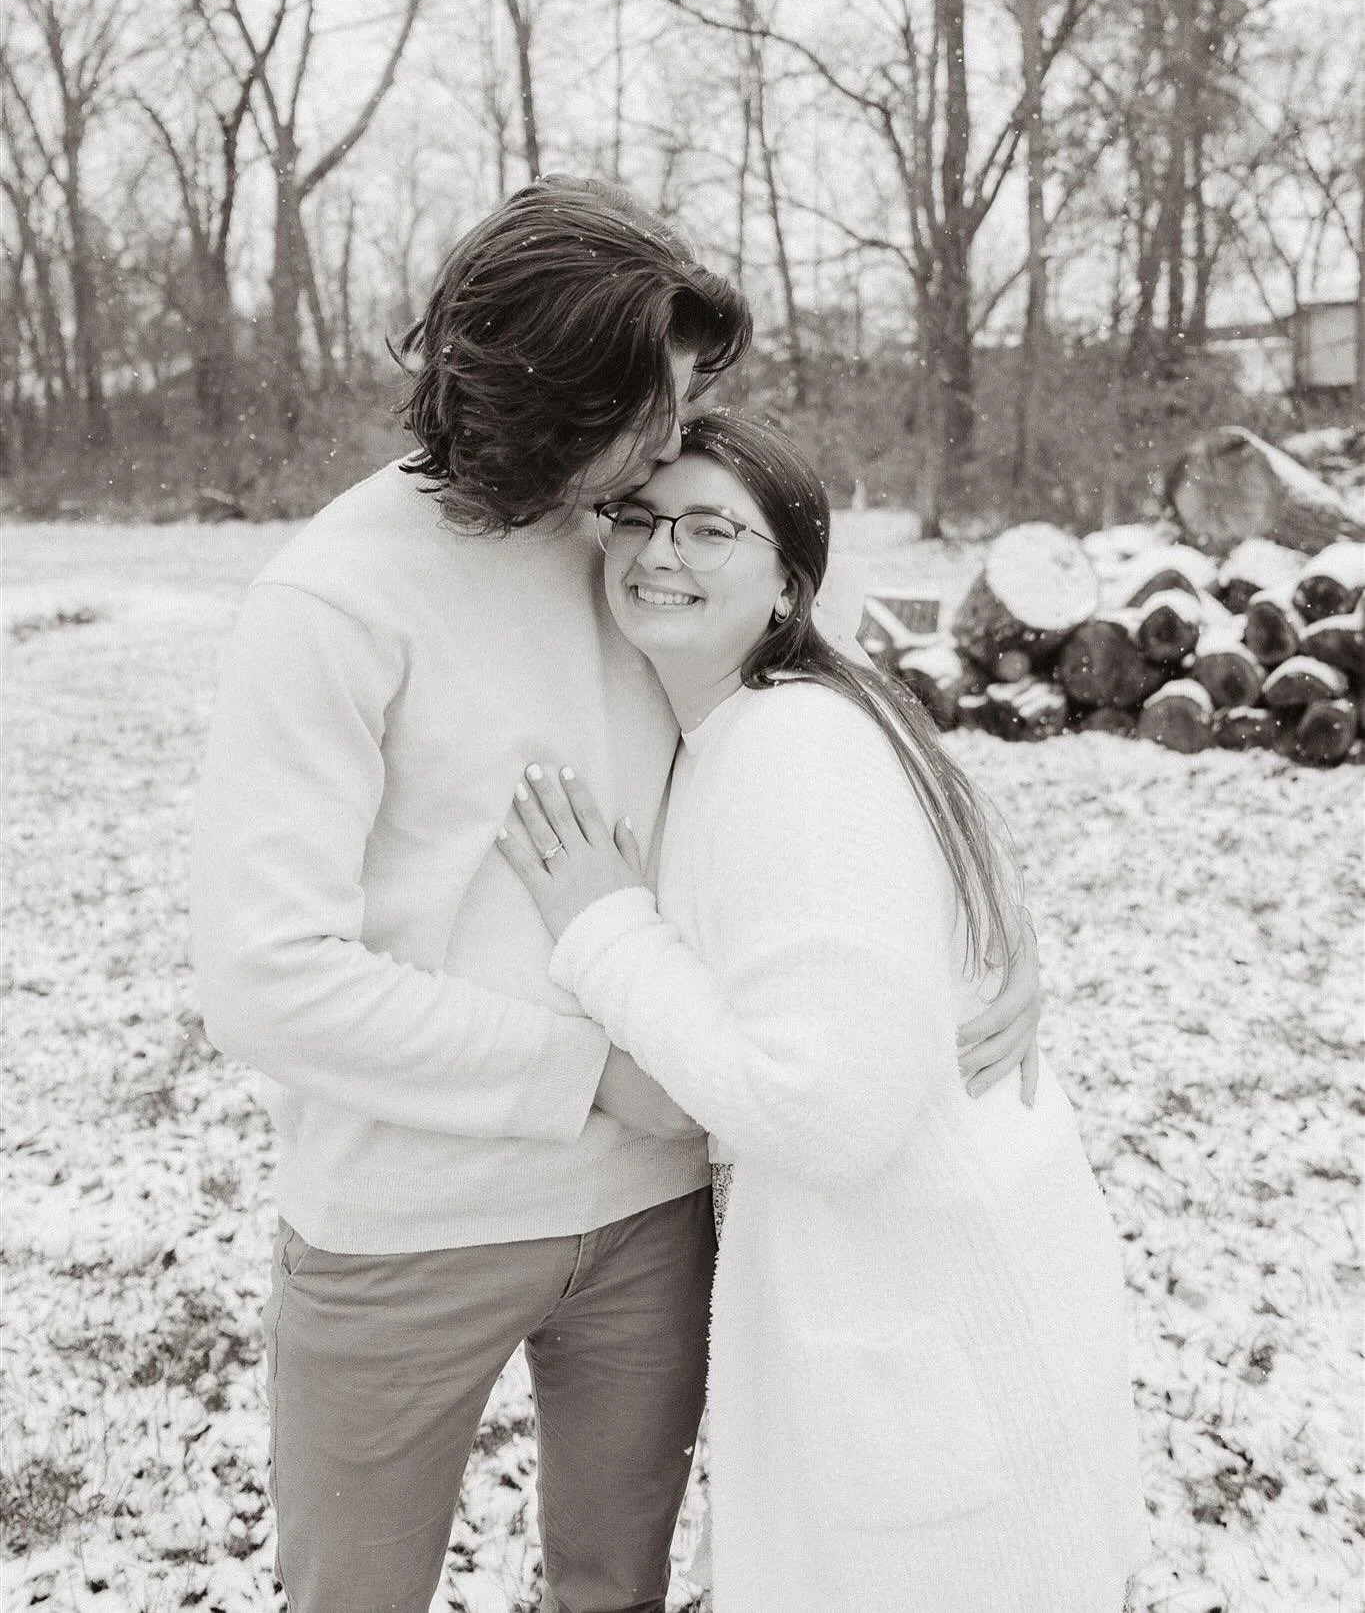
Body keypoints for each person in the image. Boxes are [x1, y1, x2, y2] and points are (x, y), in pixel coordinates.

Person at [190, 176, 1042, 1613]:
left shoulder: (637, 546)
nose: (670, 441)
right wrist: (595, 1076)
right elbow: (266, 979)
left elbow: (815, 710)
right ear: (530, 400)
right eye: (640, 409)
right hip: (403, 1229)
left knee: (616, 1591)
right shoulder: (330, 606)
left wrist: (987, 928)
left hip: (651, 1217)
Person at [497, 411, 1149, 1613]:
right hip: (932, 1315)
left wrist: (605, 929)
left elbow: (829, 1107)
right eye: (637, 518)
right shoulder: (760, 717)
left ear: (790, 581)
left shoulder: (794, 743)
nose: (657, 551)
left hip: (936, 1331)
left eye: (708, 527)